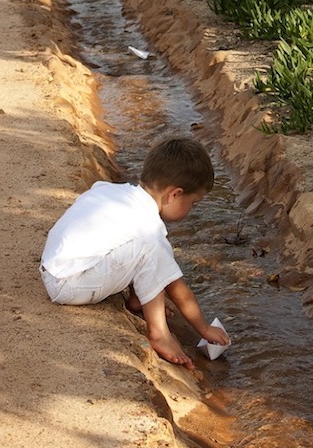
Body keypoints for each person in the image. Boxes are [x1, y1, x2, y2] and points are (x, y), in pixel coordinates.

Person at [39, 136, 230, 369]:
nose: (192, 210)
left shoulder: (113, 191)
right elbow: (178, 289)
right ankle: (159, 333)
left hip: (54, 266)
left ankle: (137, 298)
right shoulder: (149, 228)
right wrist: (204, 328)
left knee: (142, 249)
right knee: (150, 250)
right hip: (68, 285)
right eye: (194, 203)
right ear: (174, 195)